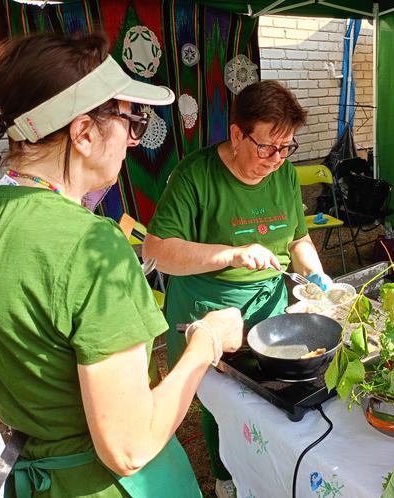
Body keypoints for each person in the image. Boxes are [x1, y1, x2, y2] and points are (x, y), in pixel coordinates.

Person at [0, 32, 243, 498]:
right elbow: (129, 448)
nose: (133, 140)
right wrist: (206, 343)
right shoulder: (91, 244)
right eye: (132, 121)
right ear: (83, 133)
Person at [142, 80, 331, 498]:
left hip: (270, 302)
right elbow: (157, 252)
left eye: (287, 148)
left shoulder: (280, 174)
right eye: (267, 147)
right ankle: (225, 474)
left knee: (269, 390)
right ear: (236, 134)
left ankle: (265, 465)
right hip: (209, 304)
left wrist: (317, 276)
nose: (277, 159)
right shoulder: (195, 174)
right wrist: (230, 254)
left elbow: (297, 239)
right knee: (220, 400)